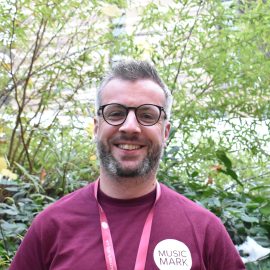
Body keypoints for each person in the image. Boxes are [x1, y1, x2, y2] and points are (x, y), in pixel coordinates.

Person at [9, 60, 245, 270]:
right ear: (96, 127)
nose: (130, 126)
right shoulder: (50, 226)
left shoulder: (204, 230)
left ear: (165, 132)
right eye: (115, 113)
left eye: (147, 115)